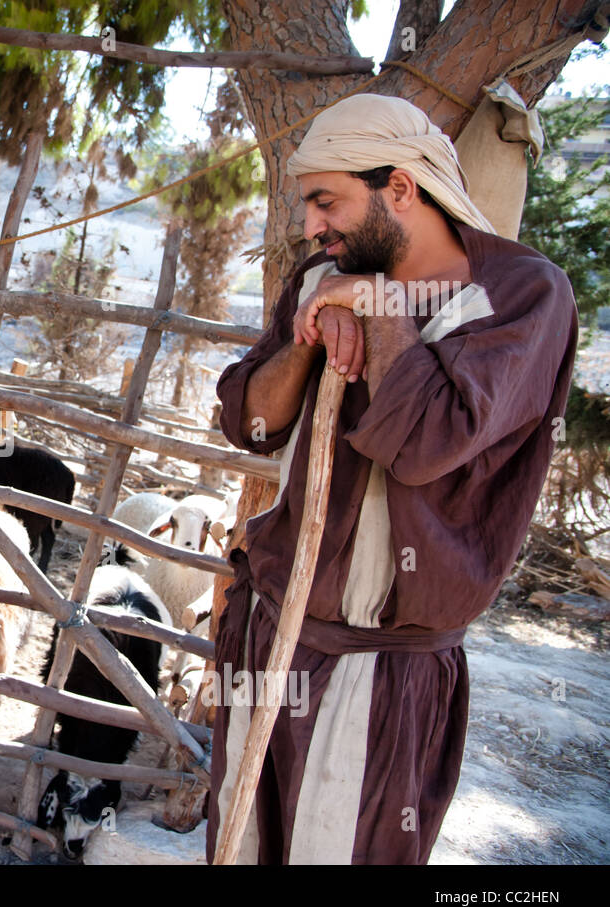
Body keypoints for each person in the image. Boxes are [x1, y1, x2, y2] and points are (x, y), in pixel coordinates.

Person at [205, 93, 578, 864]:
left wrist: (376, 309)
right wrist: (311, 337)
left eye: (326, 201)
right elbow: (252, 419)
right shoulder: (324, 275)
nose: (311, 226)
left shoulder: (522, 298)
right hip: (270, 633)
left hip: (381, 673)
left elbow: (428, 439)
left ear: (401, 189)